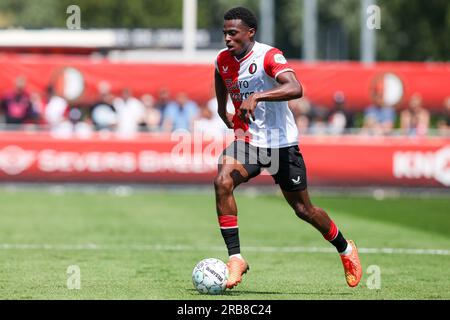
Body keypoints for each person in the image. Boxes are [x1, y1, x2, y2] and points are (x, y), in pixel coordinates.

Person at [213, 7, 361, 290]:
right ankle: (236, 258)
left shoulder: (268, 56)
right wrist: (223, 111)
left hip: (282, 144)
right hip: (250, 142)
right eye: (225, 33)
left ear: (250, 33)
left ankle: (344, 248)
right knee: (222, 181)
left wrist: (258, 96)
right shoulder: (222, 59)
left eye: (233, 33)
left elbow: (295, 87)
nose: (227, 38)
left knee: (304, 209)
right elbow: (219, 76)